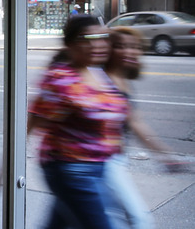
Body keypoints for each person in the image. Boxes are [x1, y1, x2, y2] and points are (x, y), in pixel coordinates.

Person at [28, 15, 128, 229]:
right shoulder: (61, 79)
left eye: (102, 37)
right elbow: (31, 124)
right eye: (87, 38)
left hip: (99, 167)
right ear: (70, 44)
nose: (97, 45)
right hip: (71, 170)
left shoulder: (99, 73)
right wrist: (2, 172)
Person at [103, 27, 175, 229]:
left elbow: (134, 122)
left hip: (117, 159)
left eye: (133, 47)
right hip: (103, 161)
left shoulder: (122, 80)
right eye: (120, 46)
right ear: (109, 49)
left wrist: (164, 154)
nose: (128, 51)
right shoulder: (100, 80)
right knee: (139, 219)